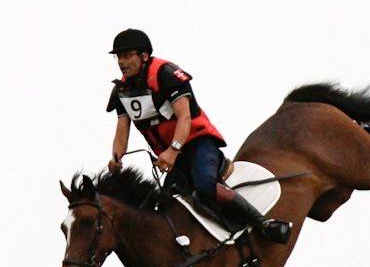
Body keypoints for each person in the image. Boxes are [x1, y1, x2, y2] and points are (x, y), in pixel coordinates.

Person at [105, 29, 292, 244]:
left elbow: (184, 118)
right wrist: (116, 159)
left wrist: (173, 151)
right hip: (172, 156)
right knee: (164, 207)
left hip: (198, 144)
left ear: (144, 56)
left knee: (204, 186)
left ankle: (265, 224)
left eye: (127, 55)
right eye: (118, 56)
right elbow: (122, 129)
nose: (121, 62)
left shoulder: (166, 74)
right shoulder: (121, 90)